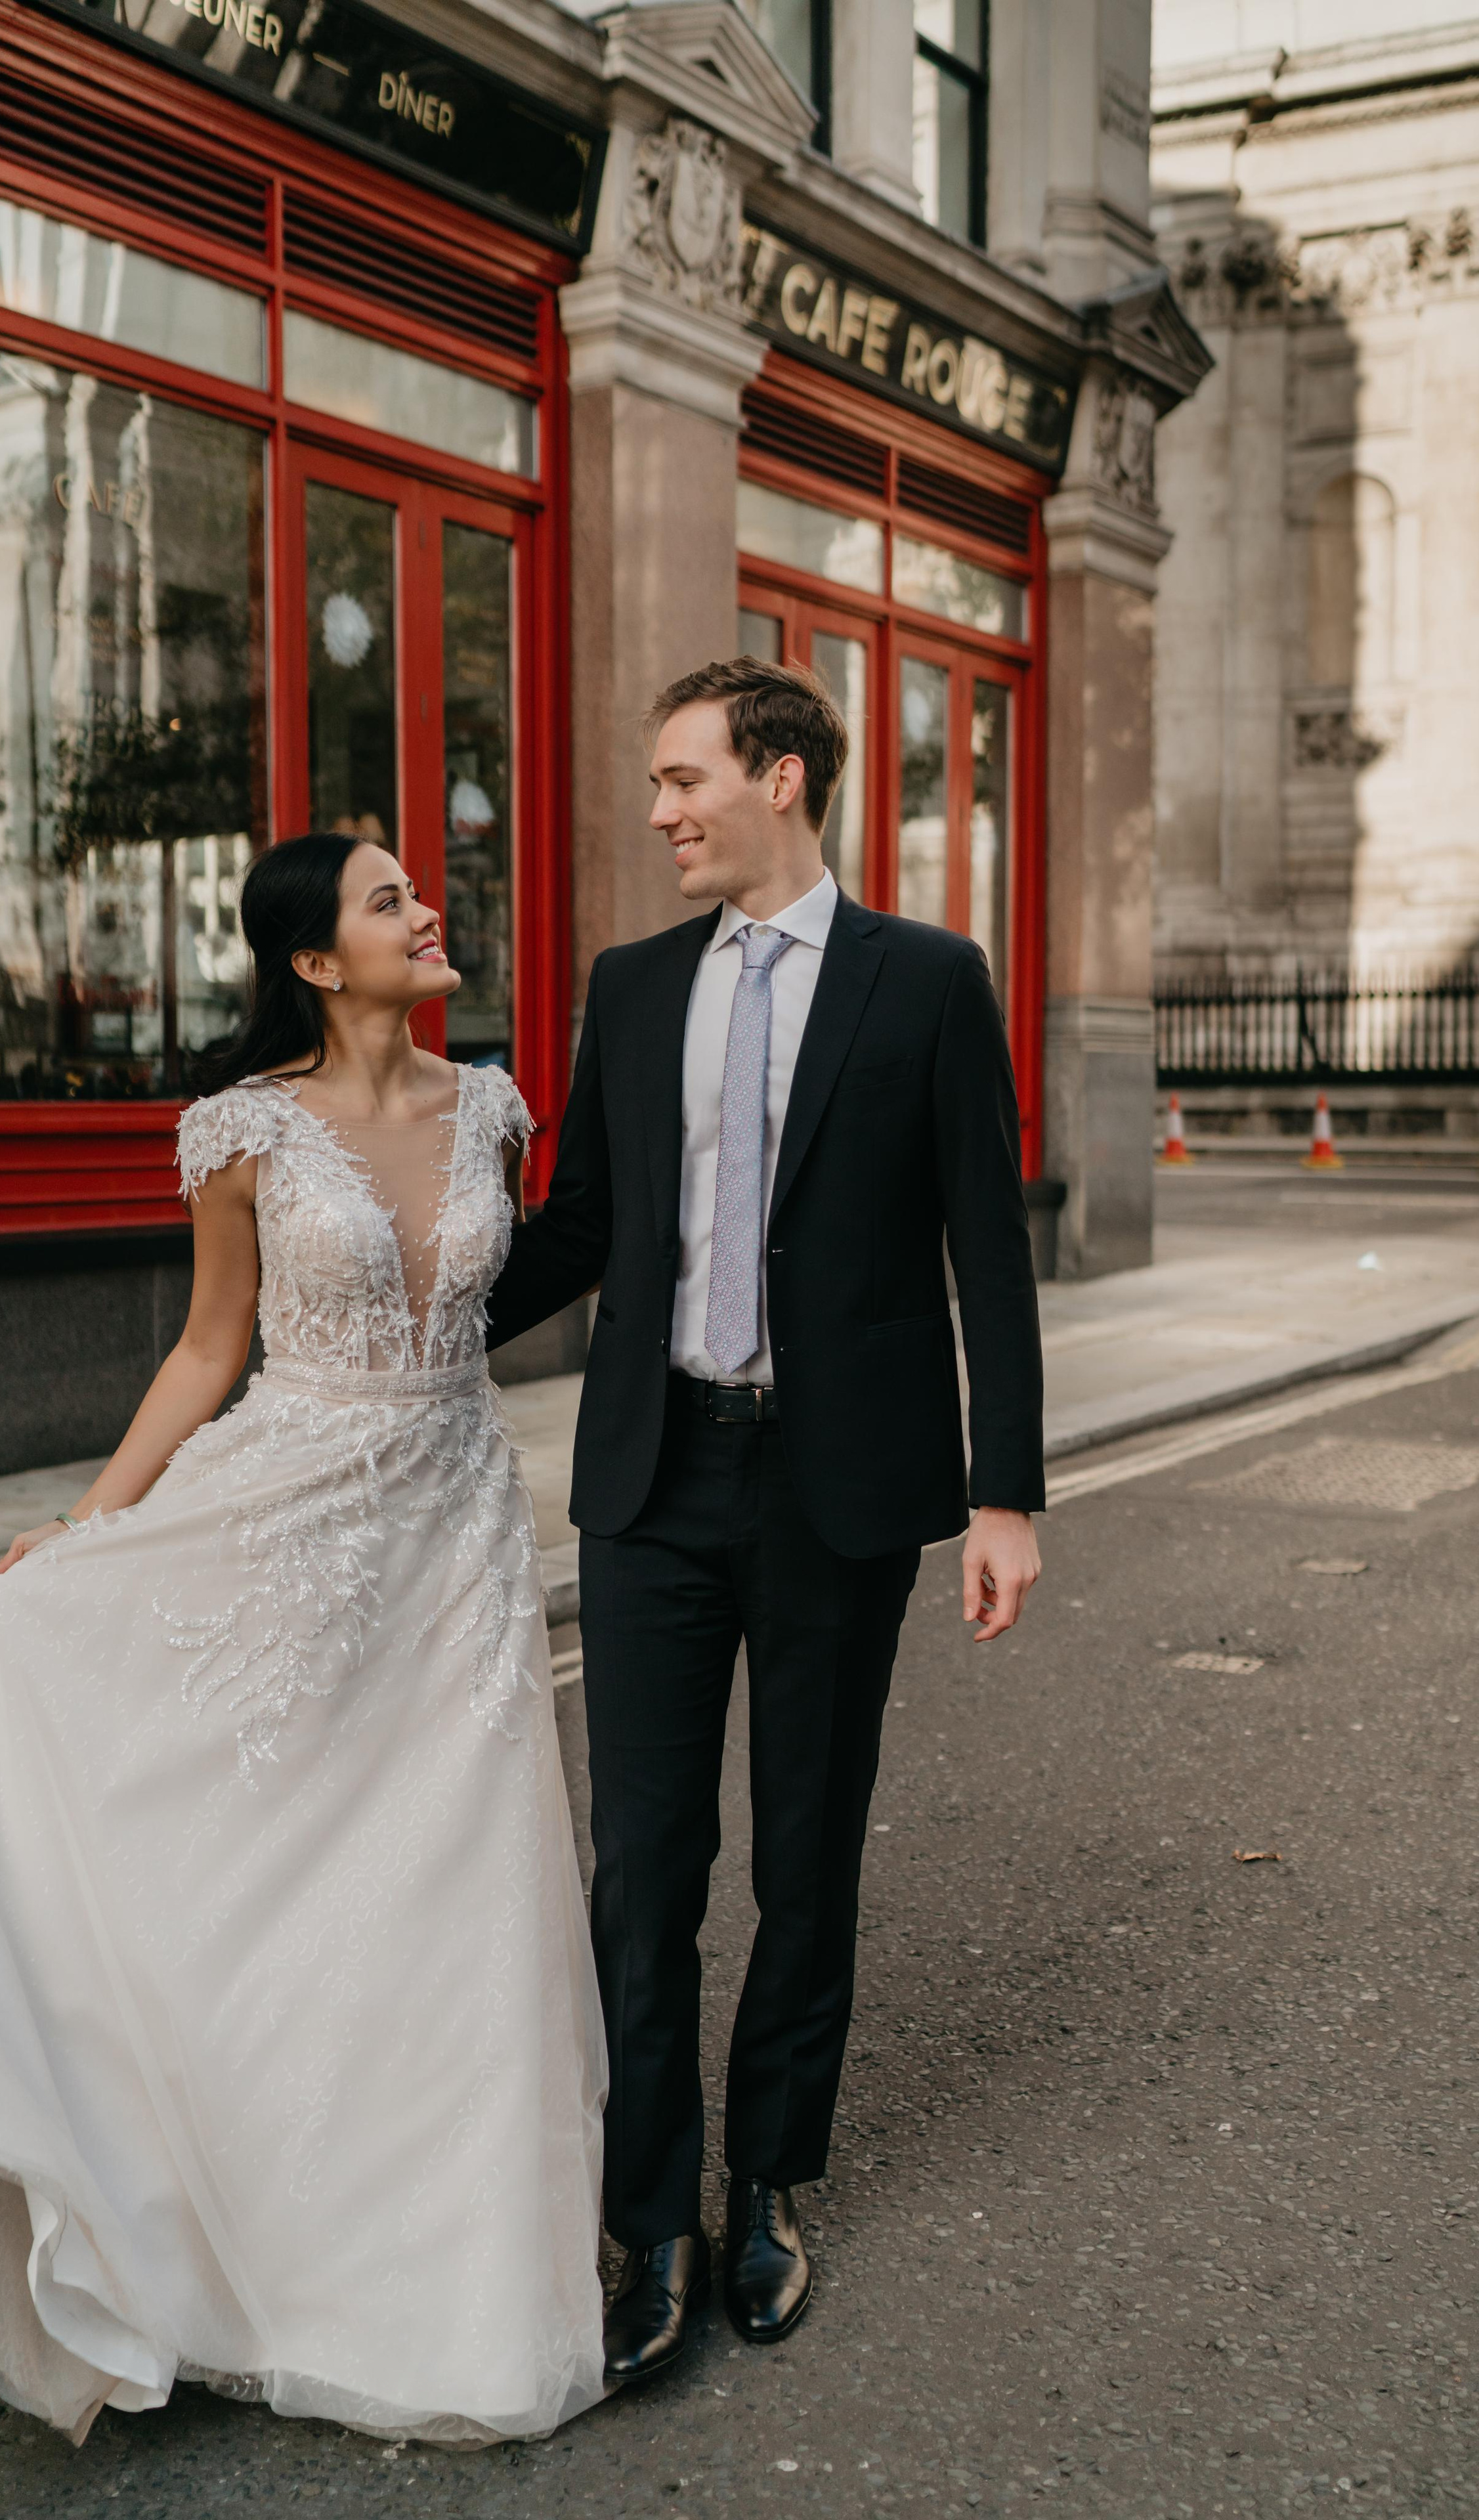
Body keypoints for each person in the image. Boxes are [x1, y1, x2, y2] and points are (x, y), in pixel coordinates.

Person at [0, 834, 606, 2446]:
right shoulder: (241, 1131)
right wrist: (95, 1521)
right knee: (259, 1868)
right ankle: (205, 2226)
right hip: (285, 1513)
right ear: (320, 966)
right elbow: (207, 1348)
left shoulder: (493, 1107)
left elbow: (497, 1290)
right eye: (385, 898)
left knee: (451, 1885)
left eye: (416, 888)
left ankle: (444, 2282)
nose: (423, 909)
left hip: (454, 1526)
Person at [486, 657, 1045, 2385]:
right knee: (646, 1864)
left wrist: (1004, 1489)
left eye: (682, 778)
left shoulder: (931, 981)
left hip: (840, 1487)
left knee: (807, 1857)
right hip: (658, 1478)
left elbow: (986, 1248)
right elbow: (580, 1221)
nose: (659, 811)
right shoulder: (633, 983)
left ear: (781, 778)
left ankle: (770, 2178)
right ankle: (650, 2215)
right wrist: (396, 1317)